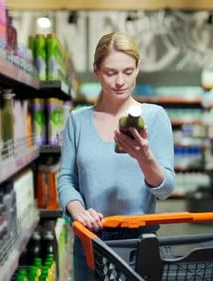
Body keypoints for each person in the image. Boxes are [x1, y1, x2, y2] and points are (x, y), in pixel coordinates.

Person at [57, 32, 175, 280]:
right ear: (96, 70)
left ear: (138, 68)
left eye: (128, 71)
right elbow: (66, 179)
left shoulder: (154, 117)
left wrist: (145, 157)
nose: (120, 81)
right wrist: (80, 213)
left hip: (140, 242)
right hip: (90, 240)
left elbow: (165, 190)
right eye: (111, 72)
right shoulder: (78, 121)